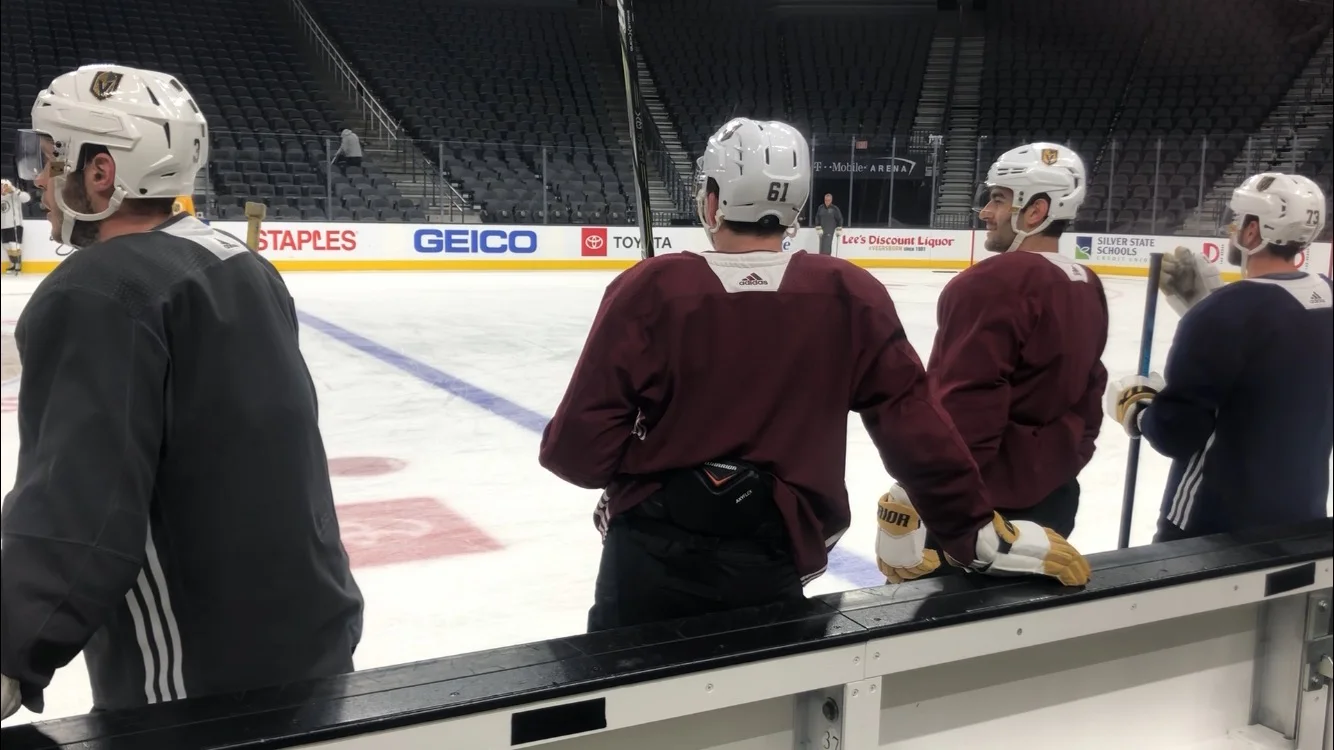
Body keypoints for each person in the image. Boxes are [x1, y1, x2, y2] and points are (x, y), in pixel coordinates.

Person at [538, 118, 1090, 632]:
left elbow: (576, 452)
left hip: (648, 556)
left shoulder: (651, 289)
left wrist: (653, 476)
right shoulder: (850, 293)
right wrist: (971, 532)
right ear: (798, 202)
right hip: (775, 548)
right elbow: (913, 425)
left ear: (712, 200)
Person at [0, 65, 363, 719]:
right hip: (312, 637)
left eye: (51, 161)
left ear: (101, 172)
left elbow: (78, 513)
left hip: (201, 675)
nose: (39, 182)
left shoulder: (98, 291)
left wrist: (10, 648)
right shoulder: (243, 265)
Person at [1106, 172, 1331, 542]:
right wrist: (1208, 305)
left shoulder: (1224, 314)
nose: (1231, 229)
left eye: (1236, 220)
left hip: (1213, 522)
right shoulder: (1326, 297)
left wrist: (1140, 410)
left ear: (1253, 231)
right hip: (1302, 513)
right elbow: (1279, 351)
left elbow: (1178, 434)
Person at [916, 143, 1108, 575]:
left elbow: (965, 405)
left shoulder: (988, 284)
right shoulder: (1086, 282)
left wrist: (931, 492)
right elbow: (1091, 391)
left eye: (999, 199)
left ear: (1036, 210)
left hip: (982, 507)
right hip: (1056, 496)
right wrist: (1062, 463)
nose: (986, 211)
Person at [1, 178, 30, 273]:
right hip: (3, 225)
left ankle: (17, 264)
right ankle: (12, 264)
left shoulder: (15, 195)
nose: (3, 188)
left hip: (15, 224)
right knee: (6, 246)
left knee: (14, 245)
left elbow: (27, 198)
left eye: (4, 186)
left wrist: (14, 190)